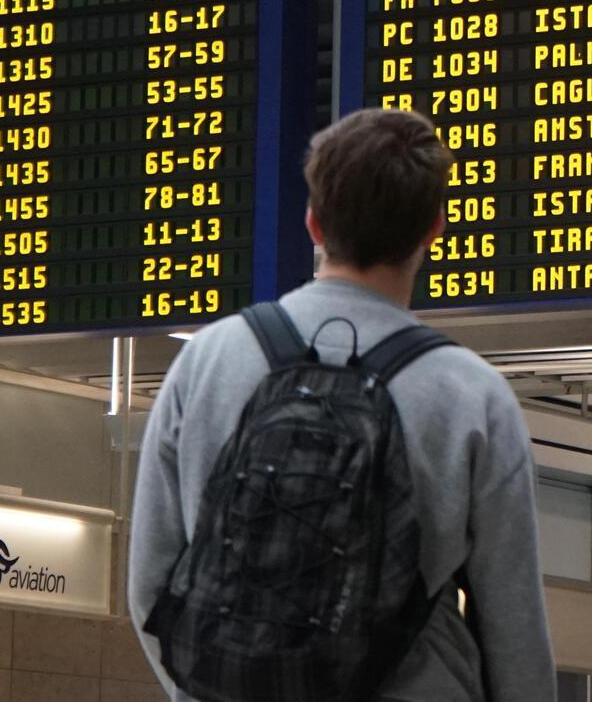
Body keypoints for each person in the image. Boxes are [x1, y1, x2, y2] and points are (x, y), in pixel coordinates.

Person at [128, 108, 555, 701]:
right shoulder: (472, 395)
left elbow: (152, 583)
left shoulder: (208, 360)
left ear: (312, 223)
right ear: (433, 229)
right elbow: (513, 629)